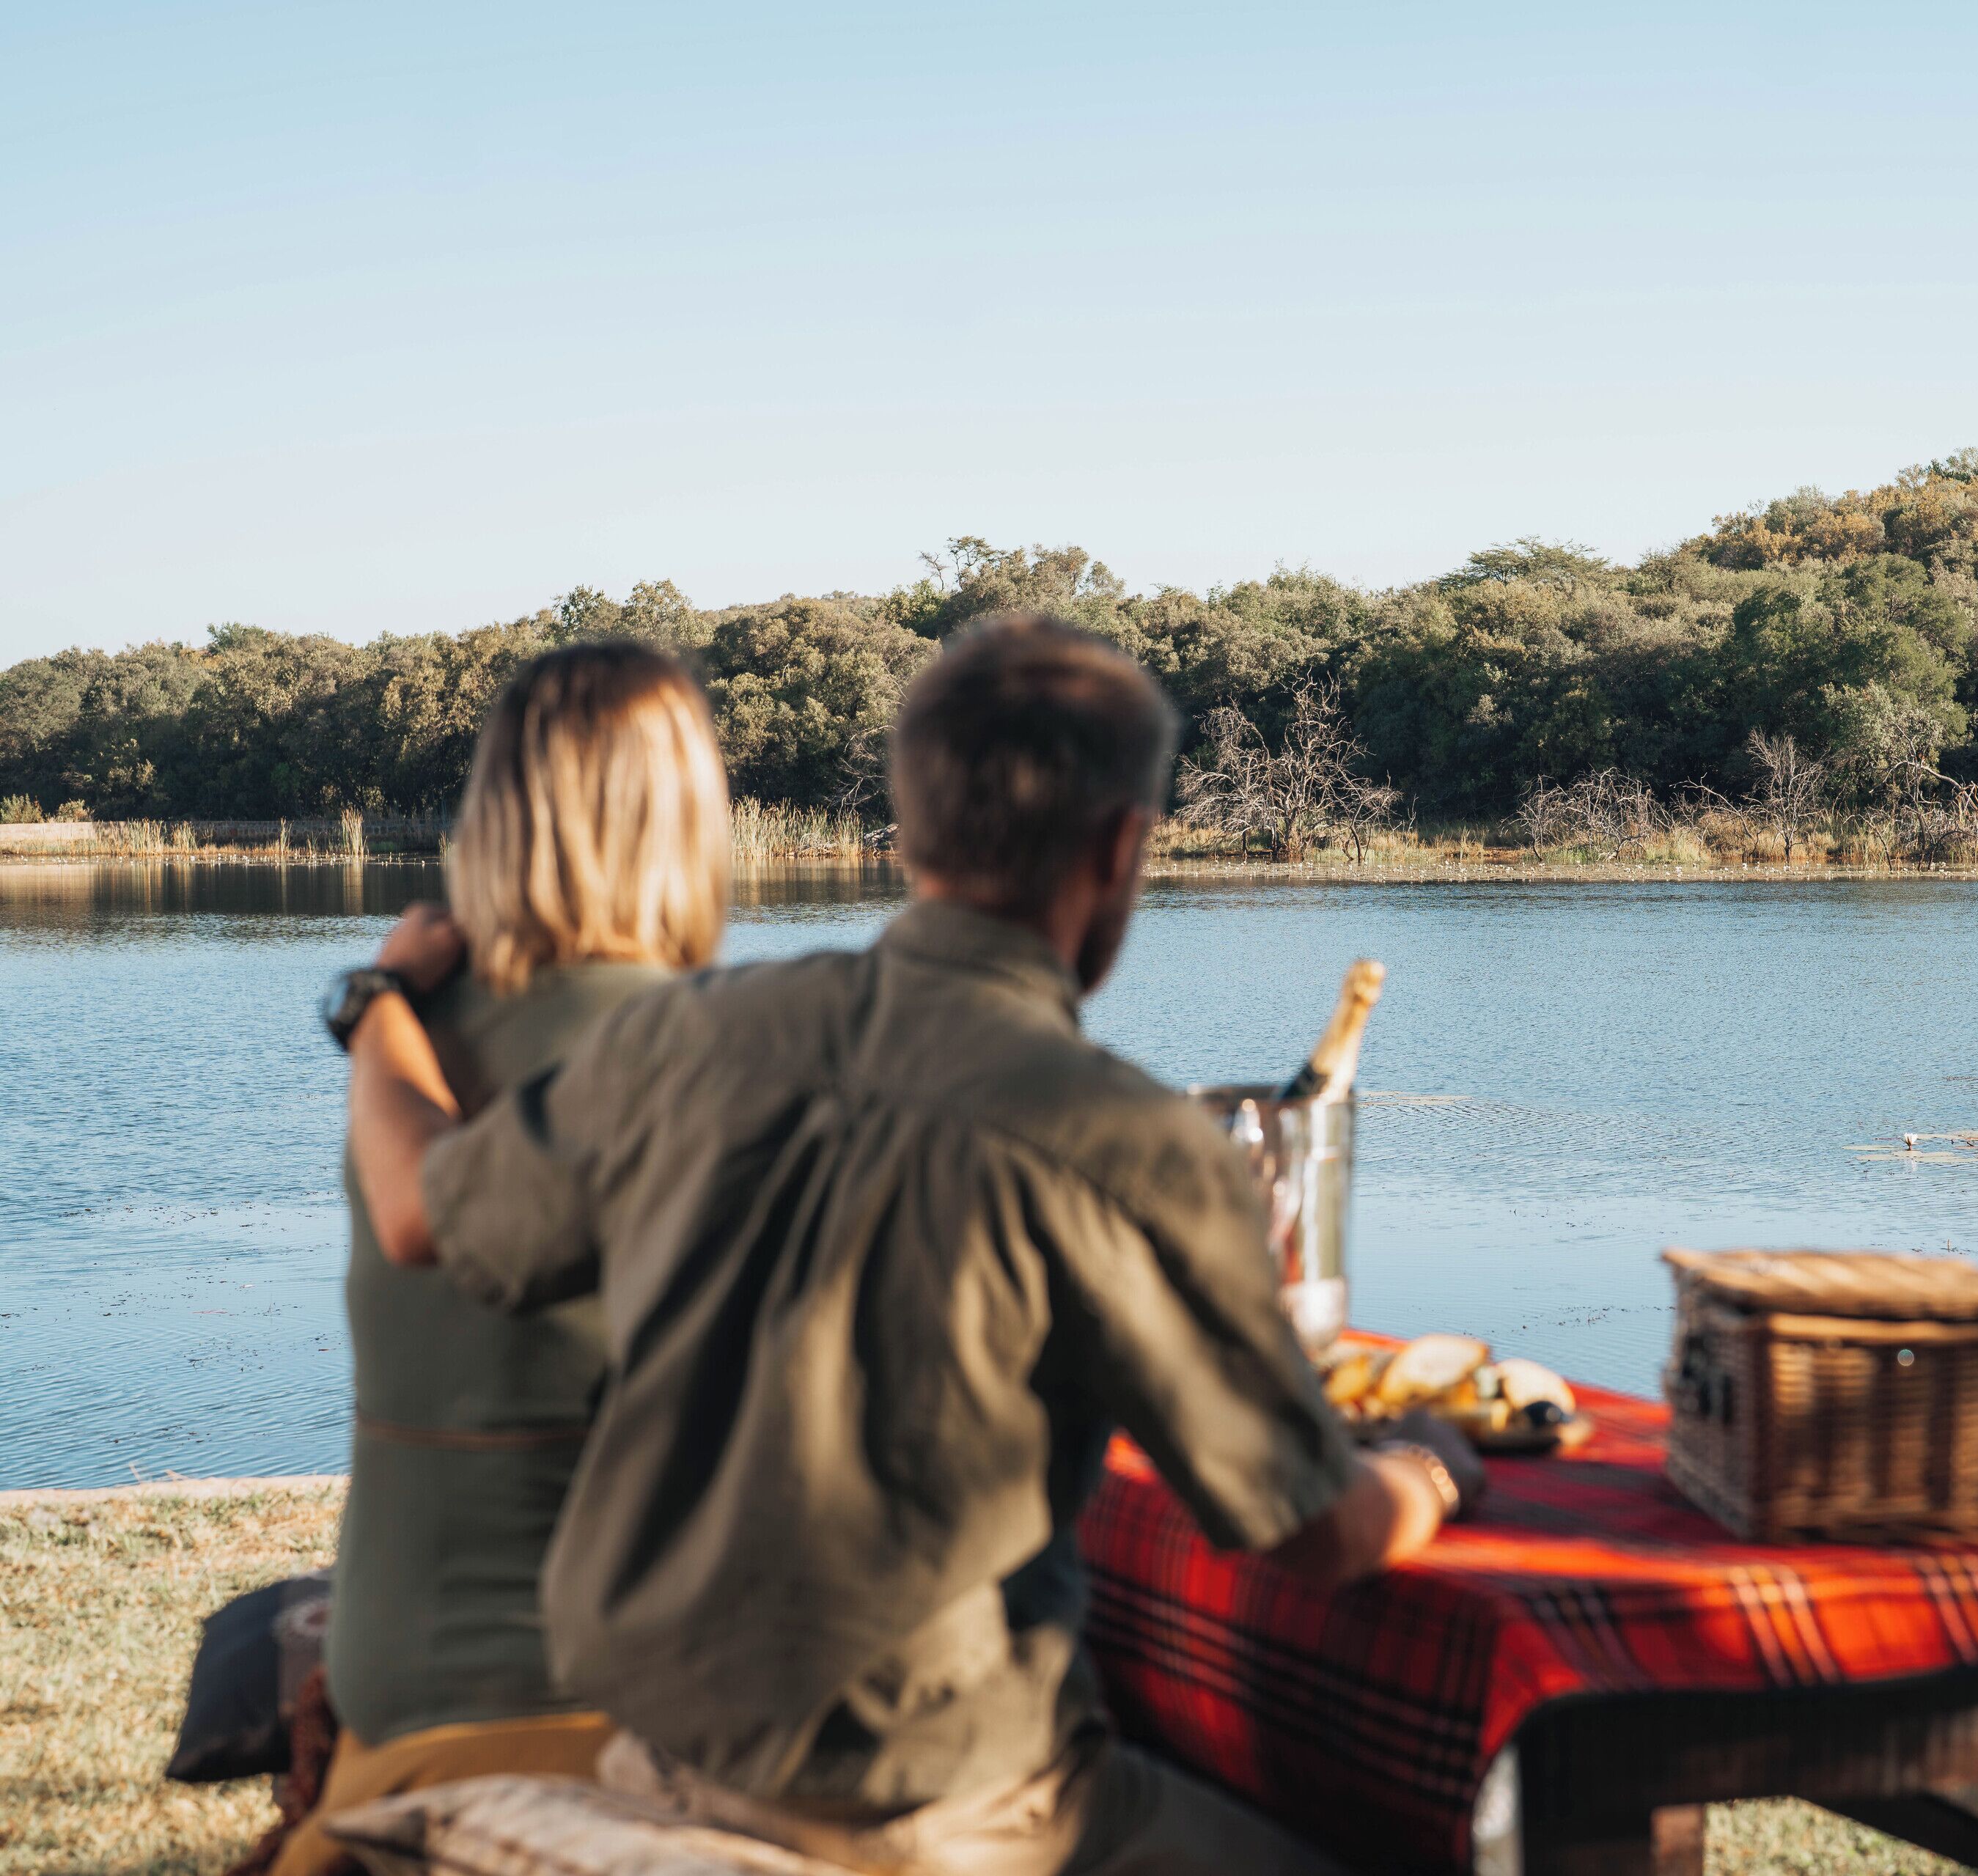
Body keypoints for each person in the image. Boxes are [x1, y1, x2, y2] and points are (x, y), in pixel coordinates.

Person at [340, 615, 1480, 1876]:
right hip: (937, 1802)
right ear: (1121, 848)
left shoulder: (694, 1037)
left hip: (660, 1750)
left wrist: (377, 1000)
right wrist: (1428, 1474)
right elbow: (1309, 1528)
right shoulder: (1126, 1142)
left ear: (909, 823)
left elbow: (432, 1204)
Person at [279, 641, 732, 1876]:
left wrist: (376, 995)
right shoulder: (693, 1047)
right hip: (606, 1721)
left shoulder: (410, 1042)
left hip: (389, 1682)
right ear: (685, 812)